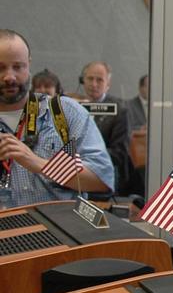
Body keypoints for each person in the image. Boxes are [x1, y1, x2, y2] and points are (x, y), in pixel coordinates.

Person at [0, 30, 113, 207]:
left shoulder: (65, 112)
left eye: (17, 66)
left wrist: (38, 163)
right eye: (0, 67)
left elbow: (102, 179)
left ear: (28, 65)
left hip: (56, 233)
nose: (9, 77)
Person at [78, 60, 132, 197]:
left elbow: (119, 153)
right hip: (76, 181)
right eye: (90, 79)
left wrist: (86, 157)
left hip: (105, 181)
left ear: (108, 85)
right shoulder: (73, 106)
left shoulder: (119, 111)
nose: (94, 84)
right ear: (82, 80)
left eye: (99, 80)